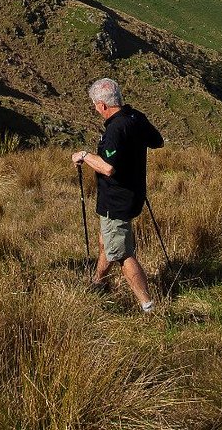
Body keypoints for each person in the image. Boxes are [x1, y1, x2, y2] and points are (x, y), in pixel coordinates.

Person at [72, 77, 163, 313]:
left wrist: (84, 155)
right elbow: (157, 141)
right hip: (134, 193)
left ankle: (148, 305)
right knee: (107, 242)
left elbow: (107, 167)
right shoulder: (136, 117)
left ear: (102, 105)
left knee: (122, 254)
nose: (95, 109)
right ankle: (98, 283)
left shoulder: (114, 129)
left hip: (117, 200)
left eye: (95, 105)